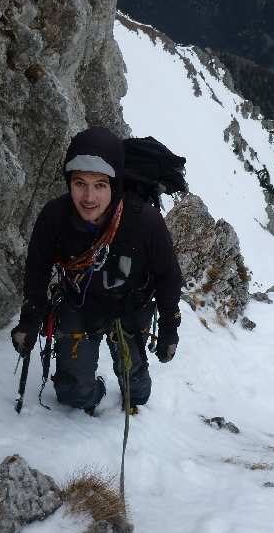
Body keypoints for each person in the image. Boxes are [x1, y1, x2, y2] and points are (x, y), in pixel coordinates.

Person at [11, 127, 182, 415]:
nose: (88, 197)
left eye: (100, 185)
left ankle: (132, 386)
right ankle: (92, 391)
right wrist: (30, 319)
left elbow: (168, 275)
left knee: (137, 393)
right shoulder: (55, 217)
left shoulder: (145, 221)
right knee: (73, 395)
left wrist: (168, 328)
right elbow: (38, 268)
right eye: (80, 183)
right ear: (69, 182)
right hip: (80, 303)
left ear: (115, 185)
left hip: (131, 305)